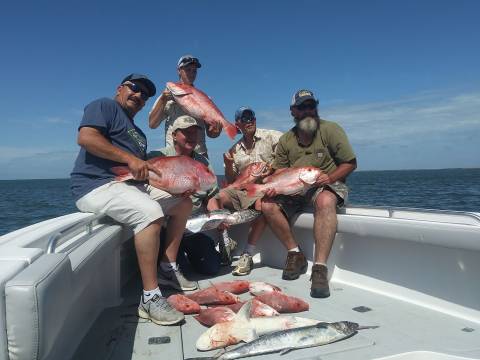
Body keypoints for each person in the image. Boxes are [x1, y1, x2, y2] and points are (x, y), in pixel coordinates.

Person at [70, 74, 193, 327]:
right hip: (99, 184)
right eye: (134, 88)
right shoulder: (104, 106)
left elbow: (141, 172)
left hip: (132, 187)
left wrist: (171, 187)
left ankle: (167, 267)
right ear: (120, 89)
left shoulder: (138, 134)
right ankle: (149, 297)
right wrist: (129, 159)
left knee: (183, 203)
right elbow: (86, 138)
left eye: (145, 95)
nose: (139, 96)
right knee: (149, 213)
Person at [260, 89, 357, 298]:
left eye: (311, 106)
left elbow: (350, 163)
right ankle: (295, 253)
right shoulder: (286, 139)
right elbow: (279, 171)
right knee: (266, 204)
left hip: (325, 184)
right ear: (293, 111)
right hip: (294, 188)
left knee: (325, 200)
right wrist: (274, 185)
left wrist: (330, 178)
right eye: (302, 107)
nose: (308, 111)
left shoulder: (331, 130)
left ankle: (320, 268)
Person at [149, 115, 221, 275]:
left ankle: (185, 254)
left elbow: (211, 196)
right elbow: (144, 185)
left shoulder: (204, 163)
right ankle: (172, 258)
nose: (192, 137)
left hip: (192, 228)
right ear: (174, 135)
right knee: (180, 270)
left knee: (212, 268)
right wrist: (174, 191)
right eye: (186, 132)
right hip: (166, 228)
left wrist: (218, 218)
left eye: (195, 133)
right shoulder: (157, 157)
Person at [215, 106, 282, 275]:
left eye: (251, 117)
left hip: (266, 188)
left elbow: (288, 153)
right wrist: (229, 165)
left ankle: (247, 254)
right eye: (244, 119)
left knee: (261, 204)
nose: (249, 121)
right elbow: (232, 181)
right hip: (244, 190)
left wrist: (273, 168)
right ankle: (225, 241)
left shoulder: (272, 136)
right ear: (237, 124)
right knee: (217, 198)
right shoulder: (234, 150)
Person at [148, 54, 221, 157]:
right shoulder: (166, 95)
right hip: (174, 154)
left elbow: (211, 134)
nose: (191, 73)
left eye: (194, 71)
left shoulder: (204, 98)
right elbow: (152, 124)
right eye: (188, 70)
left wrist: (216, 132)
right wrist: (163, 100)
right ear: (179, 70)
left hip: (199, 154)